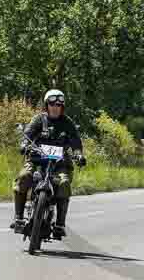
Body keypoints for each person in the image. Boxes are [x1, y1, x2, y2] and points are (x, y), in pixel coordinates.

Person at [11, 89, 87, 239]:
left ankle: (59, 224)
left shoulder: (68, 123)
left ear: (62, 107)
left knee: (64, 183)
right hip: (36, 160)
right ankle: (18, 217)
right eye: (52, 104)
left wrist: (79, 155)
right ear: (47, 105)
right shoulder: (39, 119)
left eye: (59, 104)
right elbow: (28, 134)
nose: (55, 107)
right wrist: (24, 144)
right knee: (24, 176)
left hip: (59, 164)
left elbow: (76, 143)